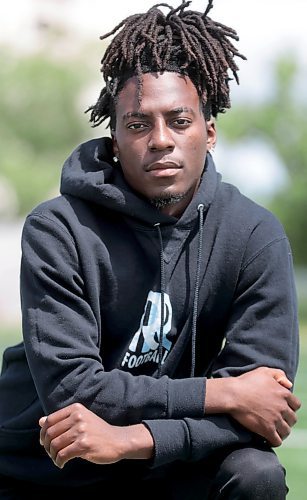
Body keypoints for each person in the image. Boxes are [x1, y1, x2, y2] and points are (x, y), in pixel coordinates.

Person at [0, 1, 301, 498]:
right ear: (114, 140)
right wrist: (224, 392)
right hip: (46, 464)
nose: (161, 140)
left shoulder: (255, 236)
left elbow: (265, 413)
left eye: (179, 120)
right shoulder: (58, 228)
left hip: (166, 462)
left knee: (255, 473)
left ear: (209, 130)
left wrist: (133, 440)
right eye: (139, 125)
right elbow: (74, 392)